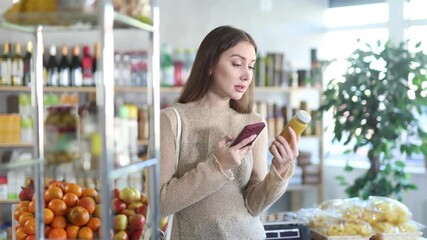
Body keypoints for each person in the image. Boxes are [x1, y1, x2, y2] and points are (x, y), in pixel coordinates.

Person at [160, 25, 299, 240]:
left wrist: (279, 172)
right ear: (209, 65)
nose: (246, 75)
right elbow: (162, 203)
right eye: (237, 64)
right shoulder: (172, 120)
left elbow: (254, 205)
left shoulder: (253, 122)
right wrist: (218, 166)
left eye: (251, 67)